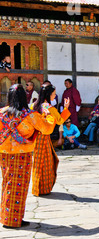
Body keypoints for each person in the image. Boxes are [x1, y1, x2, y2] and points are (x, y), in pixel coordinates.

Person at [0, 84, 55, 228]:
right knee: (19, 186)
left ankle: (6, 216)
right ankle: (13, 220)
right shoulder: (30, 115)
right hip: (22, 155)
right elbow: (47, 129)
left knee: (7, 183)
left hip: (4, 154)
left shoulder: (1, 113)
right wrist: (49, 116)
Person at [31, 84, 71, 197]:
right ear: (49, 95)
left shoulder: (33, 106)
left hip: (35, 138)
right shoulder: (49, 108)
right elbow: (59, 121)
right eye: (53, 94)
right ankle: (43, 188)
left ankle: (36, 187)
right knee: (47, 163)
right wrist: (66, 108)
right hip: (44, 138)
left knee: (37, 163)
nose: (54, 96)